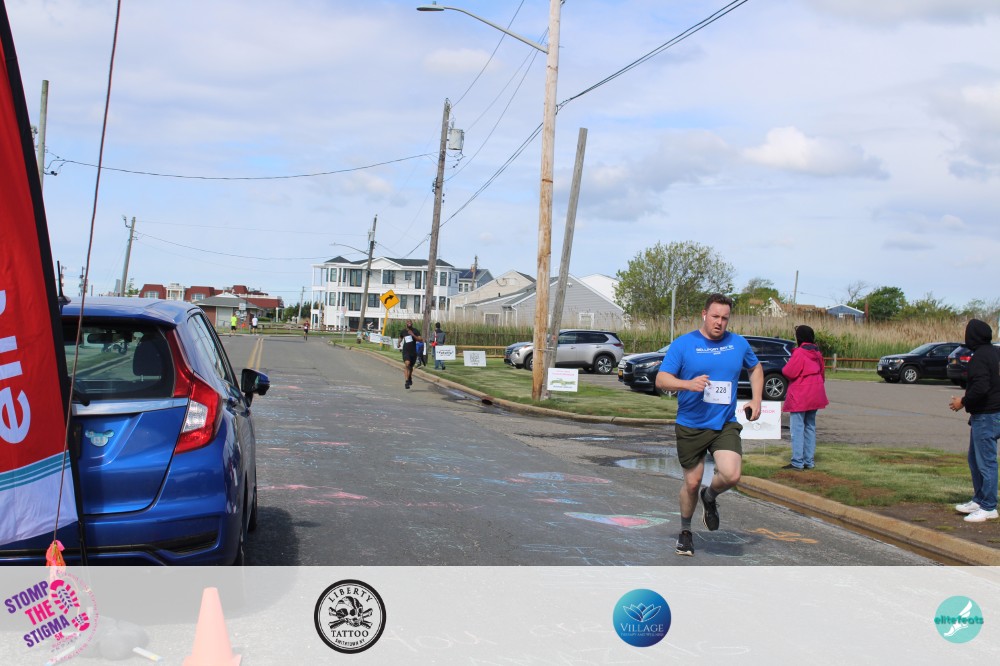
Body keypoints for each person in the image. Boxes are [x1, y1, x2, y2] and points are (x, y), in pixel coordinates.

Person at [655, 293, 763, 557]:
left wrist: (757, 399)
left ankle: (710, 496)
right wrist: (687, 384)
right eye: (715, 316)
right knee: (692, 483)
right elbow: (661, 379)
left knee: (732, 475)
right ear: (704, 314)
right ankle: (685, 532)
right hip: (691, 424)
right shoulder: (684, 344)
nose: (719, 322)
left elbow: (756, 368)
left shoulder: (738, 344)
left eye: (725, 318)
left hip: (724, 423)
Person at [948, 319, 1000, 523]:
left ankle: (989, 507)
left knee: (985, 462)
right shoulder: (994, 353)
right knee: (975, 459)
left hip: (987, 416)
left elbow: (981, 387)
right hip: (989, 413)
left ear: (973, 336)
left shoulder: (979, 357)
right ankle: (979, 500)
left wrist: (962, 402)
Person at [780, 325, 829, 470]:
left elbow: (789, 372)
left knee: (797, 428)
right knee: (810, 427)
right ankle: (809, 460)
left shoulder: (800, 353)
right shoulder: (817, 353)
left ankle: (797, 461)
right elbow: (822, 373)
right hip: (816, 392)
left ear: (799, 337)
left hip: (801, 394)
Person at [398, 320, 422, 389]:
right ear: (406, 324)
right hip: (406, 351)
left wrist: (413, 335)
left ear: (412, 323)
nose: (409, 323)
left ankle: (409, 377)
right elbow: (400, 337)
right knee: (407, 364)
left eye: (410, 322)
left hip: (413, 352)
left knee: (410, 367)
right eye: (407, 322)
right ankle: (406, 382)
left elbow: (420, 339)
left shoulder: (415, 331)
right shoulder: (403, 331)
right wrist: (398, 343)